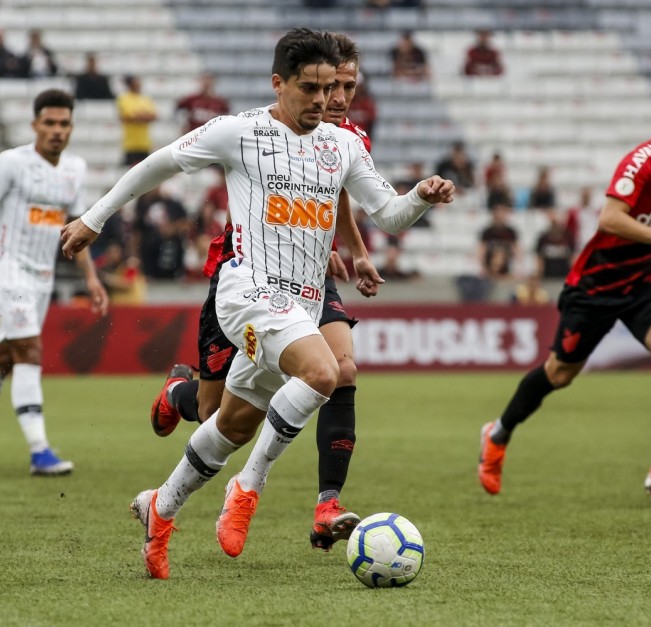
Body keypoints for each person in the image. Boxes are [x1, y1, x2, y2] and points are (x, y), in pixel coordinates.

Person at [60, 28, 454, 579]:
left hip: (303, 302)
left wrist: (421, 197)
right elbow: (158, 164)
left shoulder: (343, 145)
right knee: (325, 371)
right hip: (247, 292)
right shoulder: (239, 132)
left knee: (233, 424)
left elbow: (387, 213)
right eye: (310, 89)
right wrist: (92, 219)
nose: (322, 101)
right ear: (279, 83)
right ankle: (248, 489)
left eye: (329, 88)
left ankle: (160, 507)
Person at [149, 33, 386, 553]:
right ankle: (179, 398)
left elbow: (337, 193)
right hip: (245, 273)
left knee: (337, 370)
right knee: (220, 415)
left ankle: (324, 501)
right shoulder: (254, 133)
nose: (337, 99)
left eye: (347, 87)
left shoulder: (348, 139)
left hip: (309, 280)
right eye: (330, 86)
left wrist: (352, 248)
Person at [478, 84, 651, 498]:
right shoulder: (642, 162)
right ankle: (497, 435)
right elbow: (609, 219)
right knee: (559, 374)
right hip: (595, 285)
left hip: (644, 281)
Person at [0, 89, 108, 478]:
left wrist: (91, 279)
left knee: (2, 357)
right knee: (30, 351)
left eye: (64, 124)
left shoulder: (74, 169)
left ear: (71, 127)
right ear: (35, 124)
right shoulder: (11, 162)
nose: (57, 131)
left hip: (41, 280)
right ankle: (39, 451)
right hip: (5, 272)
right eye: (49, 123)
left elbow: (77, 230)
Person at [117, 75, 157, 166]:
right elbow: (127, 117)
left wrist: (137, 115)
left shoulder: (145, 98)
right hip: (130, 144)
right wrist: (144, 115)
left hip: (145, 143)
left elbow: (154, 116)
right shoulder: (124, 98)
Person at [479, 204, 520, 280]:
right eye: (498, 214)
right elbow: (482, 250)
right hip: (489, 269)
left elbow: (516, 249)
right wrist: (483, 267)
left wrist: (518, 267)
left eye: (502, 214)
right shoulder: (487, 232)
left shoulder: (510, 232)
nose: (500, 217)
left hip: (506, 268)